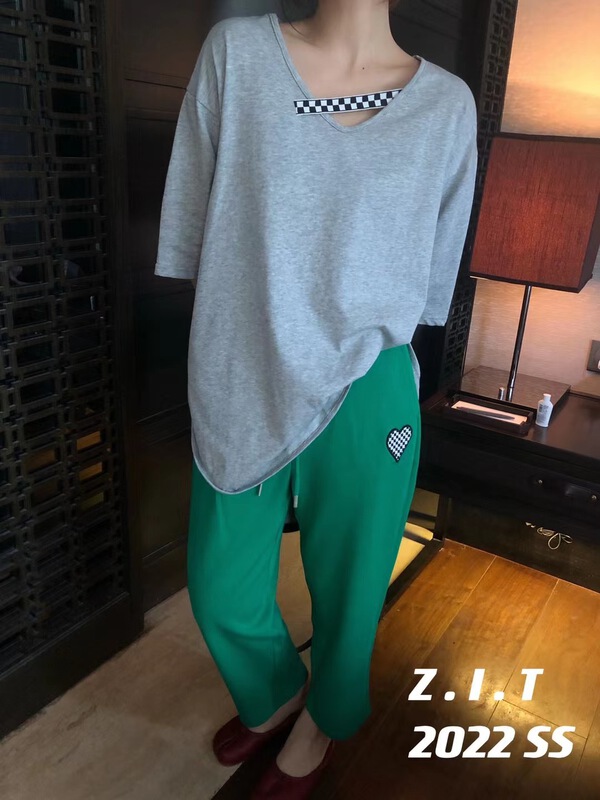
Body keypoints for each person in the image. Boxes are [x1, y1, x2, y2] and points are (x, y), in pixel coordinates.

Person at [154, 0, 478, 796]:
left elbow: (432, 271)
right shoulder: (237, 54)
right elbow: (194, 208)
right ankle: (275, 692)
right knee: (220, 583)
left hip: (369, 379)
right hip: (243, 360)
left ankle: (324, 718)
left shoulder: (447, 105)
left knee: (353, 580)